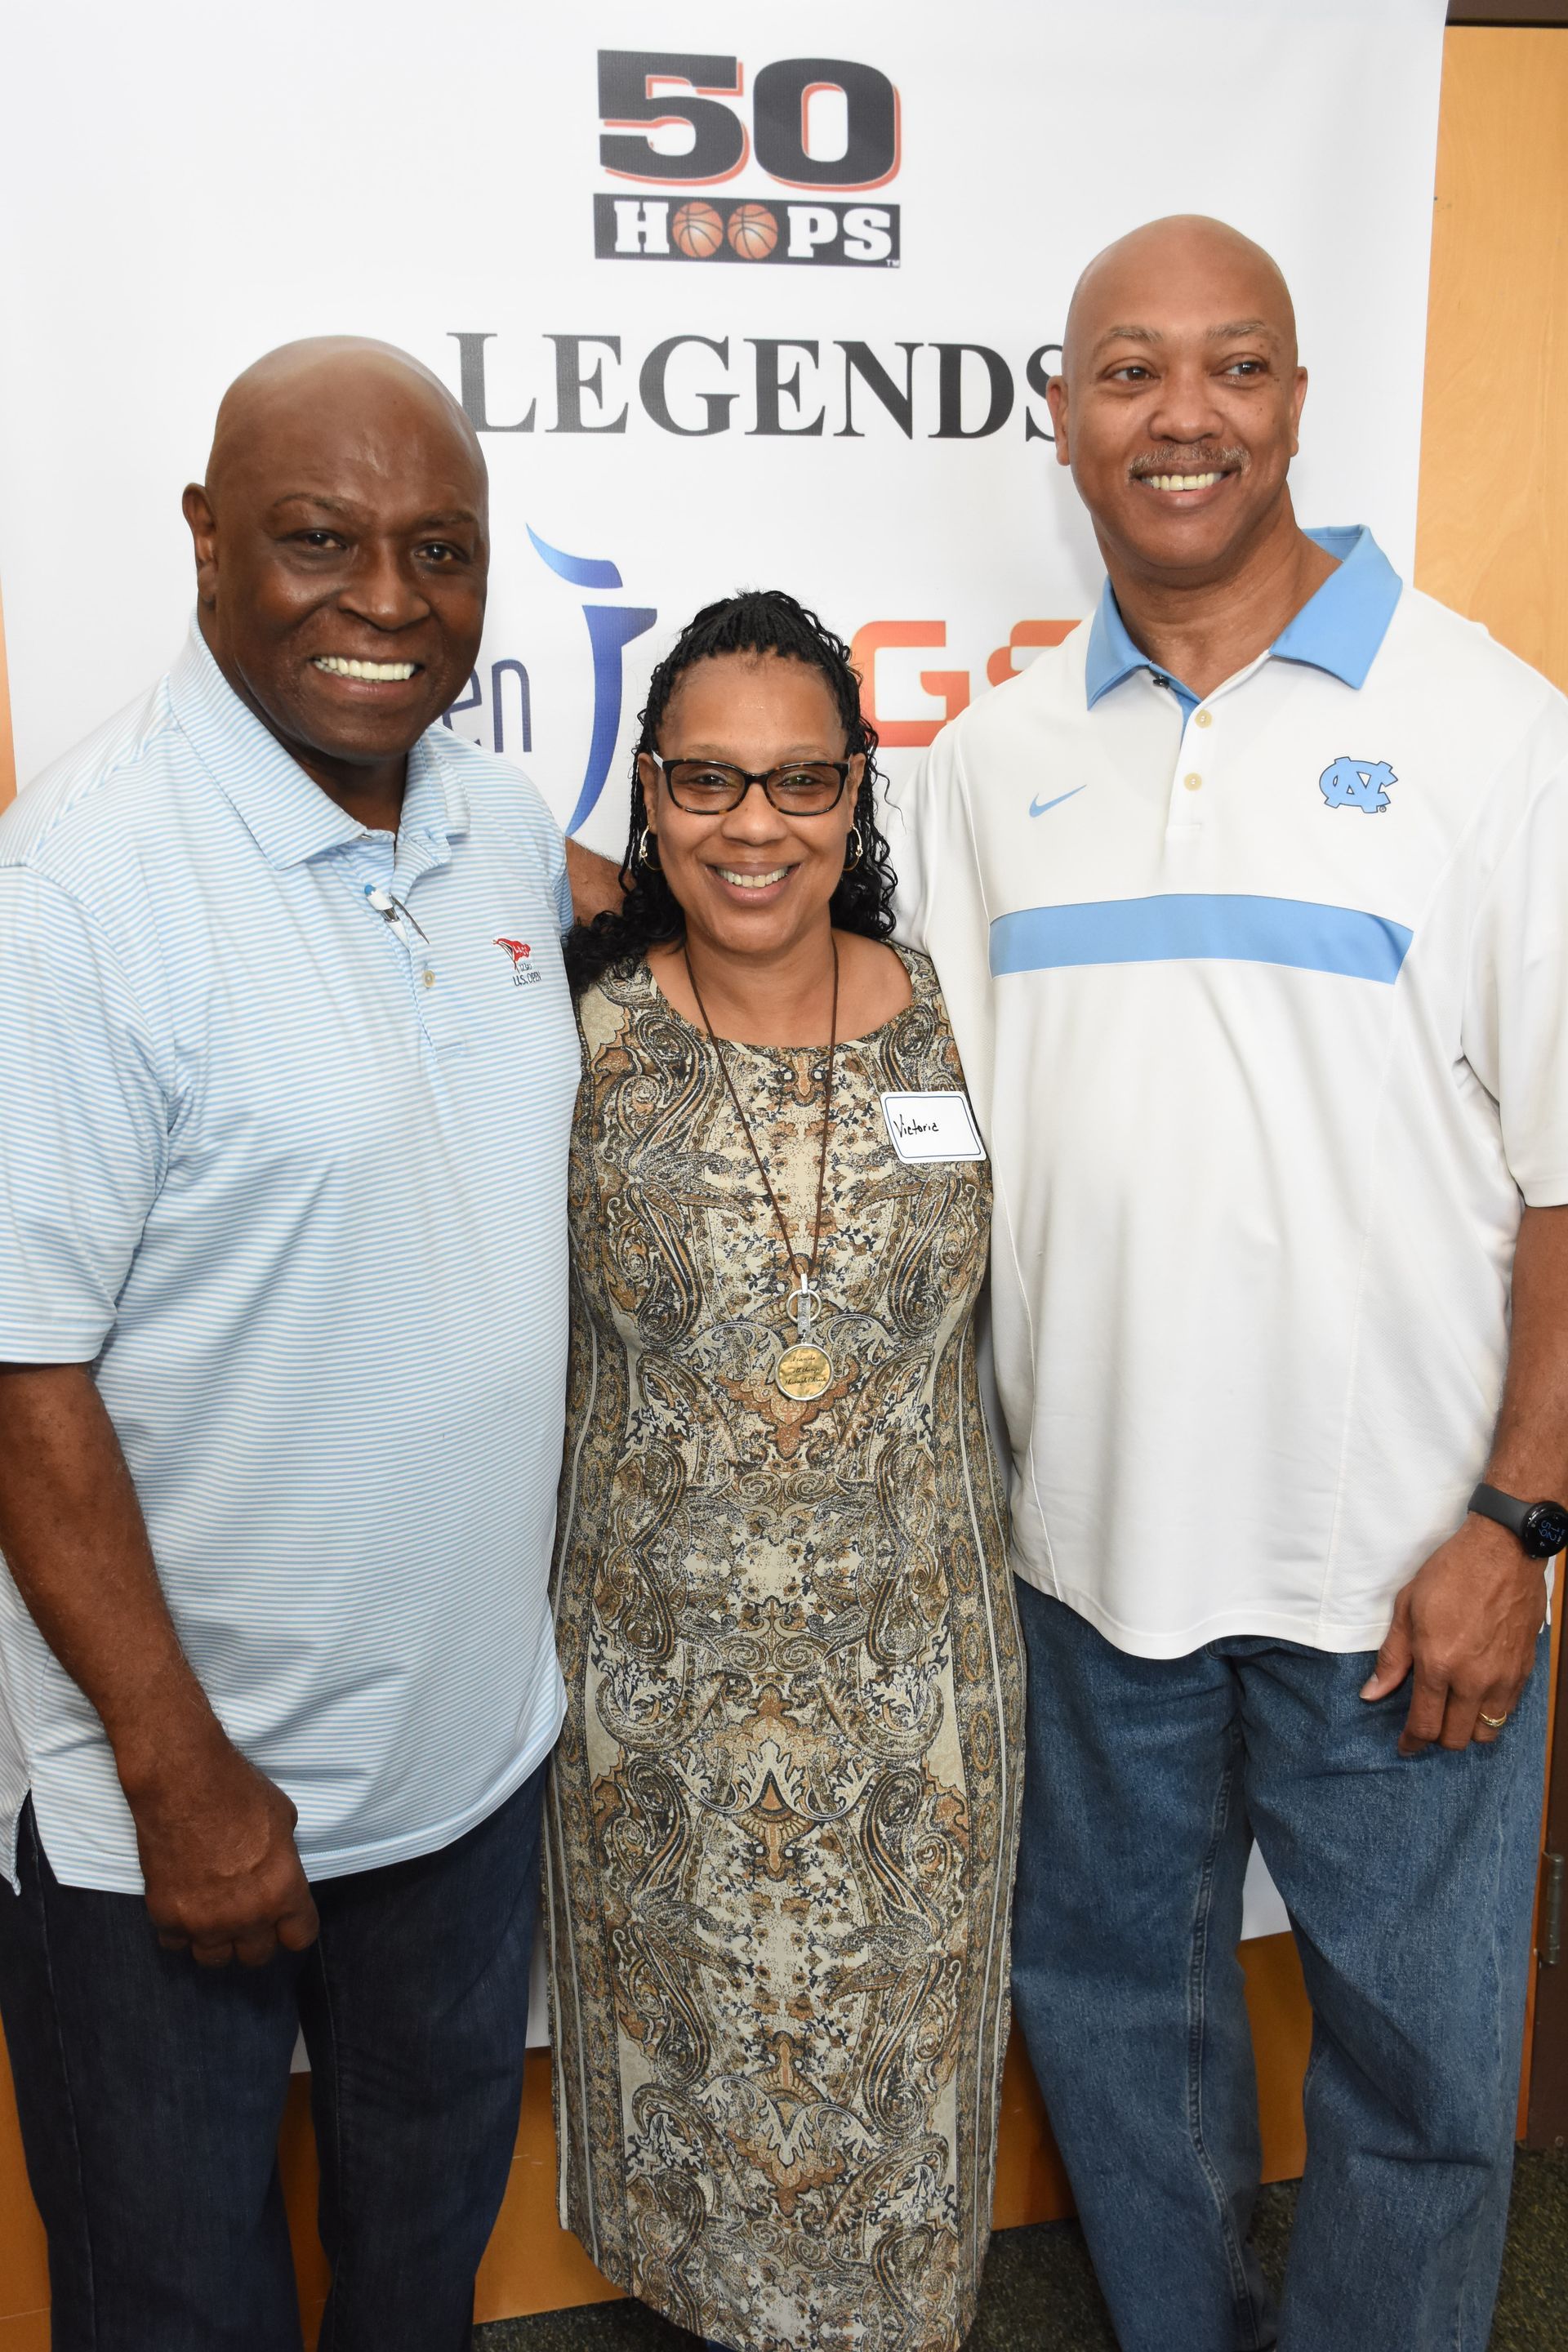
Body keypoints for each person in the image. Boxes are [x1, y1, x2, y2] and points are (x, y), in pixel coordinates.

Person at [889, 216, 1568, 2351]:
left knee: (1424, 2078)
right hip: (1081, 1557)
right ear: (1062, 423)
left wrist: (1522, 1522)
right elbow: (939, 1118)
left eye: (1236, 367)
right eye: (1130, 374)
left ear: (1296, 400)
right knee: (1106, 2014)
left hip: (1402, 1568)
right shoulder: (990, 764)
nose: (1184, 416)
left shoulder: (1495, 732)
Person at [0, 338, 582, 2349]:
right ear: (204, 540)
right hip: (180, 1813)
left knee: (417, 2285)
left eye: (442, 550)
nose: (389, 601)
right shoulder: (74, 892)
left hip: (466, 1778)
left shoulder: (498, 827)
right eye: (321, 542)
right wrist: (183, 1781)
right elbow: (22, 1383)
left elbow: (695, 904)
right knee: (179, 2311)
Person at [546, 590, 1023, 2352]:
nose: (756, 827)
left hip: (922, 1694)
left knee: (895, 2121)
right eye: (709, 783)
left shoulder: (955, 1007)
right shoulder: (572, 1031)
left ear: (858, 796)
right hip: (658, 1695)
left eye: (802, 783)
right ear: (650, 799)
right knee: (705, 2119)